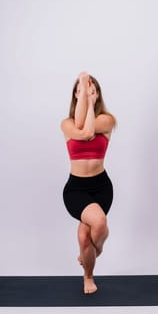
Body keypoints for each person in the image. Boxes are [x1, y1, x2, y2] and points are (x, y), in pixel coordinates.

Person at [61, 71, 117, 294]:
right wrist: (85, 93)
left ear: (98, 94)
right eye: (81, 90)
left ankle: (93, 259)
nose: (86, 91)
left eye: (92, 89)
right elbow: (84, 131)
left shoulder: (107, 119)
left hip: (101, 187)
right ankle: (92, 266)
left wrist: (89, 100)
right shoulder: (66, 124)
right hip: (76, 189)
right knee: (95, 227)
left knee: (89, 234)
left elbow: (89, 129)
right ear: (75, 95)